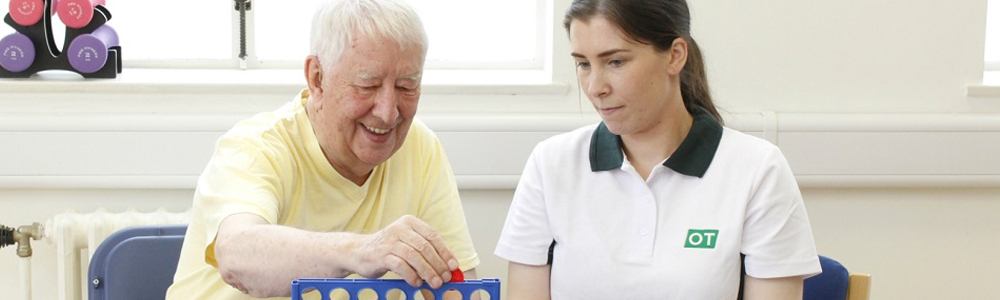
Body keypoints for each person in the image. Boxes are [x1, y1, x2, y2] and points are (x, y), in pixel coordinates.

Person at [494, 0, 821, 299]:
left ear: (676, 55)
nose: (595, 87)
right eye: (583, 64)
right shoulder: (550, 164)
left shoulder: (758, 169)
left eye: (616, 61)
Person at [165, 0, 479, 298]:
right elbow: (237, 255)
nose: (388, 112)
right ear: (317, 78)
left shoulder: (420, 149)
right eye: (367, 85)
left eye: (406, 86)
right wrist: (362, 251)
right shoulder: (254, 148)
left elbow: (458, 291)